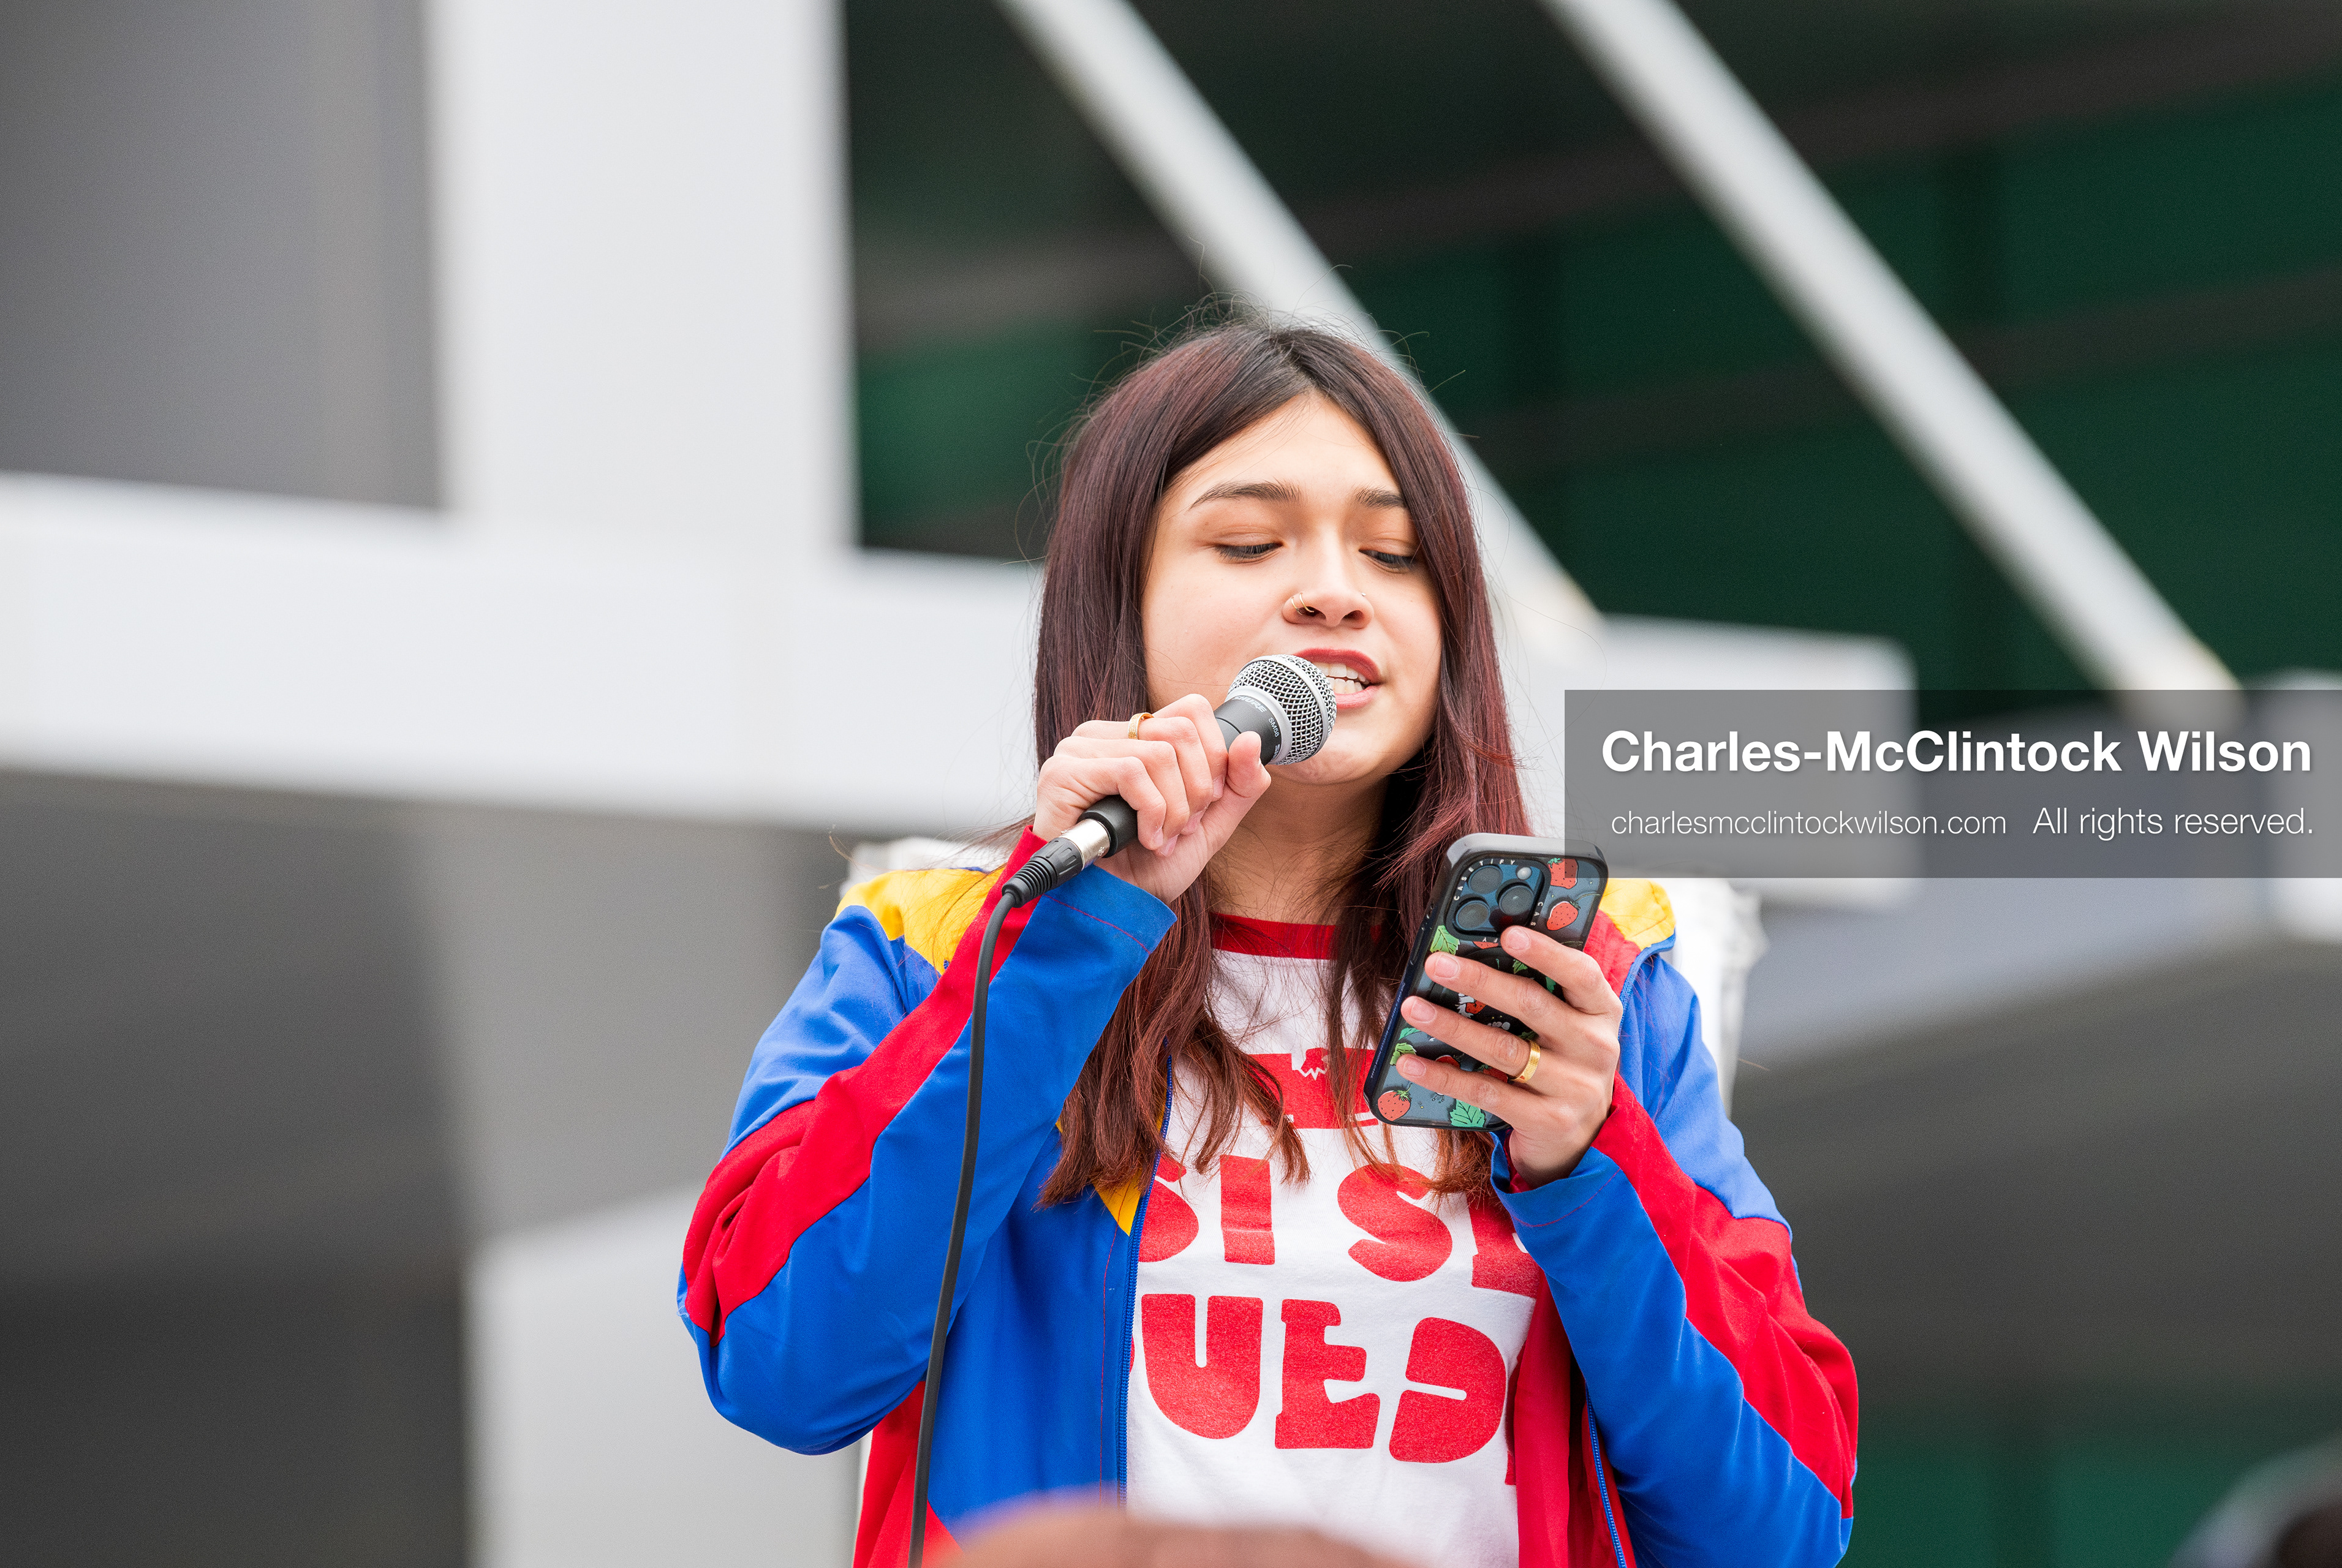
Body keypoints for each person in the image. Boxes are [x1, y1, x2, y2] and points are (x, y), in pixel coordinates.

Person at [679, 318, 1858, 1568]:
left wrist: (1586, 1156)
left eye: (1396, 554)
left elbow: (1777, 1527)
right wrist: (1068, 932)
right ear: (1114, 600)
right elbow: (783, 1357)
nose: (1335, 589)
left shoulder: (1591, 986)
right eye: (1250, 541)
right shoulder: (931, 941)